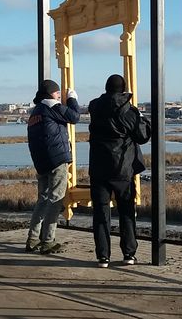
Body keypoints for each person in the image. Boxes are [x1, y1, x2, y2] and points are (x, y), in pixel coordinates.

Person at [88, 74, 151, 268]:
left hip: (98, 168)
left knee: (101, 212)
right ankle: (129, 254)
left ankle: (103, 257)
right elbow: (143, 136)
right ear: (123, 90)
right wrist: (142, 118)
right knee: (126, 211)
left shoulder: (95, 107)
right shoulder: (129, 112)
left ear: (106, 88)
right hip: (123, 169)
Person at [26, 79, 79, 254]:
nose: (58, 96)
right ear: (51, 93)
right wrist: (72, 99)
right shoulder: (52, 105)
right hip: (57, 160)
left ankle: (33, 239)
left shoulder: (35, 112)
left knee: (42, 200)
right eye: (57, 93)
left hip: (41, 162)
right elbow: (74, 117)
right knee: (55, 200)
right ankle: (48, 241)